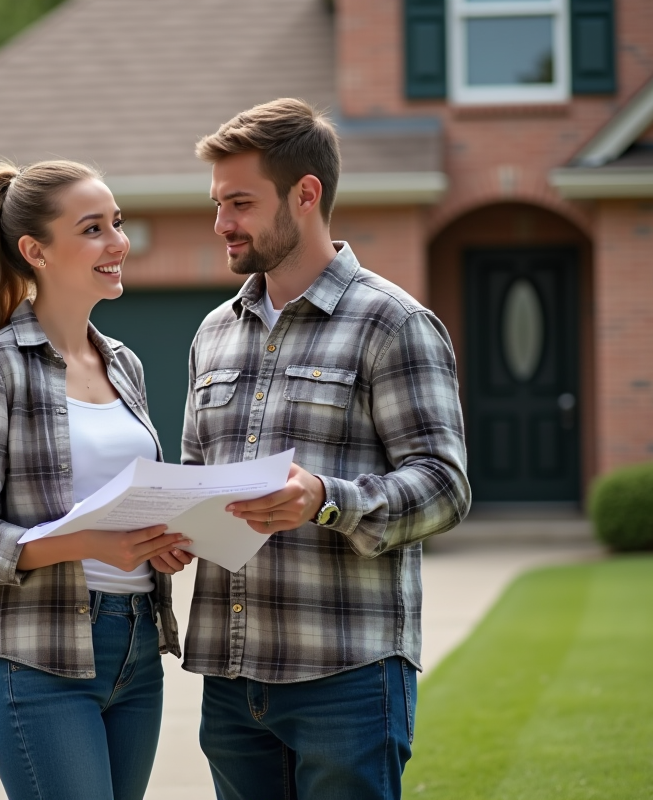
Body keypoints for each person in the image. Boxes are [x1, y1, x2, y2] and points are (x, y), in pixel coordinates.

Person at [181, 99, 471, 800]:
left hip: (347, 677)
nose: (222, 222)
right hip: (230, 676)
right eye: (219, 203)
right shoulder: (213, 333)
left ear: (305, 195)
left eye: (241, 202)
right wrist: (173, 528)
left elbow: (444, 485)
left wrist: (327, 500)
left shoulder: (393, 323)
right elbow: (195, 477)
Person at [0, 159, 191, 800]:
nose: (118, 242)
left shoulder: (123, 364)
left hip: (136, 644)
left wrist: (161, 541)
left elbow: (126, 499)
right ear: (34, 251)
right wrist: (88, 543)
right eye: (94, 228)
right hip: (38, 655)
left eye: (118, 224)